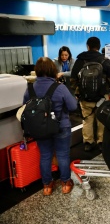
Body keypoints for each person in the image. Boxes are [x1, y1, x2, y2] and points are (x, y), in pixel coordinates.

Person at [23, 57, 77, 196]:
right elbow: (72, 106)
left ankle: (47, 186)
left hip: (40, 128)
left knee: (45, 156)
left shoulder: (30, 88)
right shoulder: (60, 87)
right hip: (61, 126)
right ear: (53, 70)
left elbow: (25, 107)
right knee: (63, 155)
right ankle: (65, 183)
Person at [70, 37, 110, 152]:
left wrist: (77, 92)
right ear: (99, 47)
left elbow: (73, 79)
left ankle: (88, 143)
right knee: (101, 120)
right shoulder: (104, 60)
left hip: (85, 98)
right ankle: (101, 142)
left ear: (88, 46)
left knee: (87, 120)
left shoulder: (80, 60)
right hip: (102, 97)